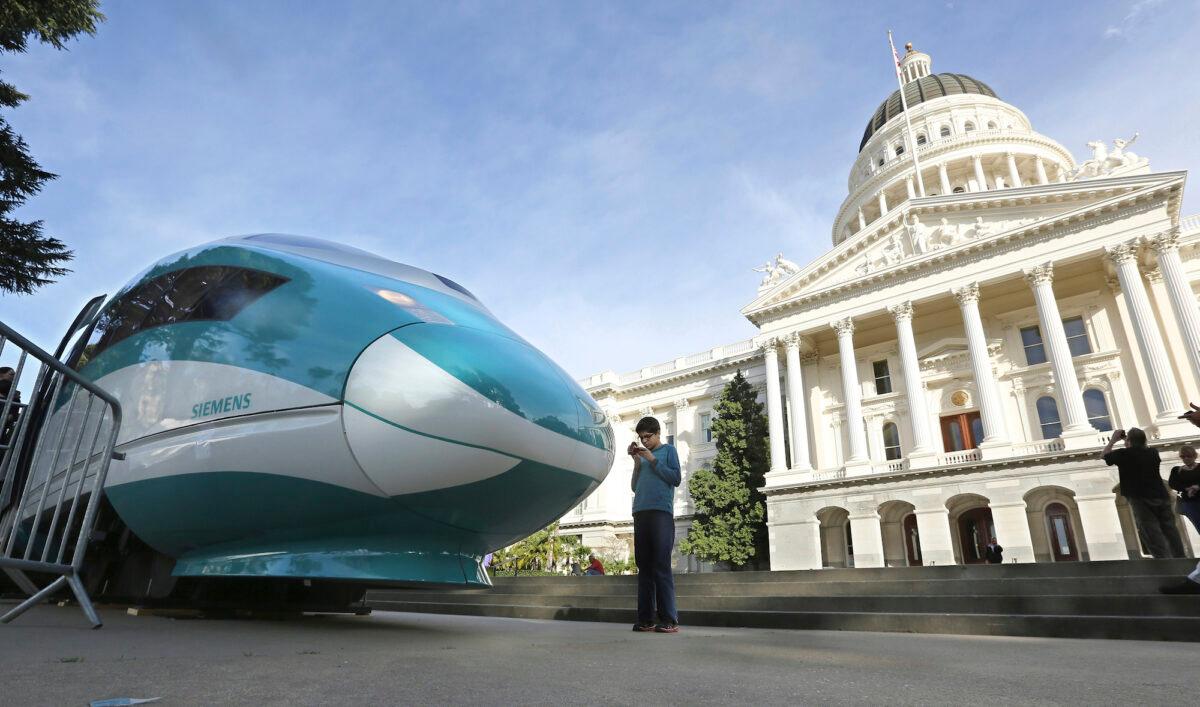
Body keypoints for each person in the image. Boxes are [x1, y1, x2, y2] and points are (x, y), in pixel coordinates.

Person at [628, 416, 681, 633]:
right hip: (640, 512)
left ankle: (669, 619)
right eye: (641, 438)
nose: (644, 441)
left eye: (648, 436)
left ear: (658, 433)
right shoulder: (642, 456)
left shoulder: (668, 451)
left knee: (661, 565)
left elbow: (675, 478)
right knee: (644, 568)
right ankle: (646, 619)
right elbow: (634, 487)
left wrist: (652, 460)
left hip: (661, 512)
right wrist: (637, 462)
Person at [1102, 428, 1185, 559]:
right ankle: (1180, 558)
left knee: (1150, 529)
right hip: (1160, 494)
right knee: (1169, 528)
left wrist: (1113, 440)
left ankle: (1163, 560)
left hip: (1139, 496)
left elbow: (1104, 455)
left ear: (1129, 441)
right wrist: (1129, 439)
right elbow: (1140, 446)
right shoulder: (1152, 452)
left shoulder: (1124, 454)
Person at [1164, 403, 1200, 594]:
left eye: (1189, 455)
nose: (1186, 458)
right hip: (1191, 504)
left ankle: (1195, 581)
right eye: (1183, 456)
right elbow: (1174, 484)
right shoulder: (1177, 470)